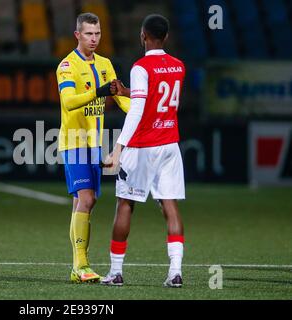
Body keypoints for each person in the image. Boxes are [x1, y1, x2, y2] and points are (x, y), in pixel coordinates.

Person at [101, 14, 186, 287]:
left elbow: (138, 111)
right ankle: (175, 272)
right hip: (170, 145)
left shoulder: (141, 67)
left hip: (143, 146)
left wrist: (117, 148)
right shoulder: (178, 66)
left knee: (125, 204)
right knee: (169, 205)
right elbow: (158, 100)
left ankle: (115, 272)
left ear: (143, 36)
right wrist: (126, 92)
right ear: (166, 37)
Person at [56, 12, 130, 283]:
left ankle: (78, 268)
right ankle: (81, 264)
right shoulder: (66, 66)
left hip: (94, 144)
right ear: (78, 35)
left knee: (85, 201)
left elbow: (122, 100)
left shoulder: (106, 64)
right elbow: (69, 102)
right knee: (86, 199)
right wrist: (99, 92)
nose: (94, 38)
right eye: (88, 33)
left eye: (97, 33)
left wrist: (145, 113)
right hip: (74, 141)